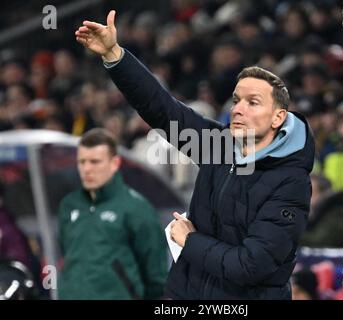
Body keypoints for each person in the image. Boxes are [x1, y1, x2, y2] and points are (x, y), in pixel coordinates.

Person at [75, 11, 315, 300]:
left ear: (278, 118)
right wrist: (115, 55)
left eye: (253, 103)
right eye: (237, 100)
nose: (238, 109)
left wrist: (190, 241)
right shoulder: (219, 146)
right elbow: (163, 110)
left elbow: (251, 265)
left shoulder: (290, 181)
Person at [57, 128, 167, 299]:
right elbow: (66, 256)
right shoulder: (69, 205)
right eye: (82, 161)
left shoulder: (137, 208)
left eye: (95, 162)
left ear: (115, 163)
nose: (86, 169)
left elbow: (156, 276)